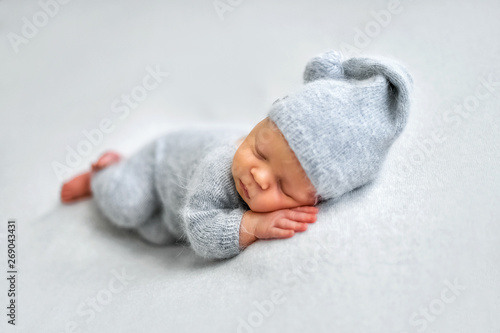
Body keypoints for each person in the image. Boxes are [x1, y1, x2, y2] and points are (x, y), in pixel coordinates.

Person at [61, 50, 413, 260]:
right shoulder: (221, 168)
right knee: (128, 205)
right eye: (259, 149)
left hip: (174, 201)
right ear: (262, 123)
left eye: (282, 187)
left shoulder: (302, 180)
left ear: (315, 199)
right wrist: (253, 225)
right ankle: (104, 173)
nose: (258, 176)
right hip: (157, 165)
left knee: (155, 232)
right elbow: (199, 228)